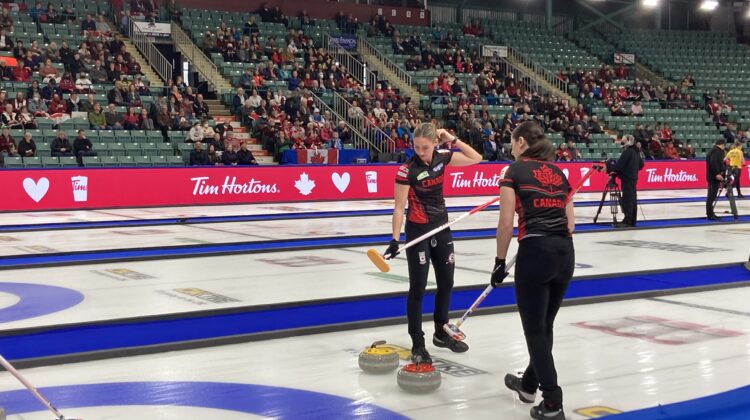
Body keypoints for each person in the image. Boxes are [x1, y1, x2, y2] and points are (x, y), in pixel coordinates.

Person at [493, 121, 575, 420]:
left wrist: (499, 262)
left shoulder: (512, 172)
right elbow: (570, 224)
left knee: (536, 330)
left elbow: (505, 223)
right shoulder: (558, 173)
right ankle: (529, 385)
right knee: (545, 326)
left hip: (536, 253)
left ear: (522, 143)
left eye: (512, 142)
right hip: (565, 253)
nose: (510, 147)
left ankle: (553, 401)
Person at [385, 123, 482, 363]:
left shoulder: (443, 158)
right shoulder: (407, 170)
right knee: (418, 289)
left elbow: (476, 158)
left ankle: (441, 332)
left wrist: (453, 139)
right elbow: (399, 207)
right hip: (418, 231)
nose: (420, 151)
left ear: (435, 145)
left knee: (446, 282)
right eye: (416, 147)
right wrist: (395, 239)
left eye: (425, 147)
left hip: (441, 227)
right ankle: (418, 343)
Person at [608, 135, 644, 227]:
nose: (622, 143)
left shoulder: (627, 152)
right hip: (633, 178)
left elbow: (619, 166)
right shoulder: (636, 152)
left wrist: (609, 168)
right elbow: (641, 165)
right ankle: (632, 220)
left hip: (627, 179)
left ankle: (627, 221)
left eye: (623, 141)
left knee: (627, 199)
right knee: (632, 199)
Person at [706, 139, 727, 220]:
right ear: (722, 145)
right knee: (711, 196)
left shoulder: (715, 151)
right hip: (713, 177)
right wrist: (717, 174)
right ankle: (710, 214)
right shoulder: (715, 151)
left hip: (713, 176)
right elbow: (713, 163)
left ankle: (710, 213)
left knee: (712, 196)